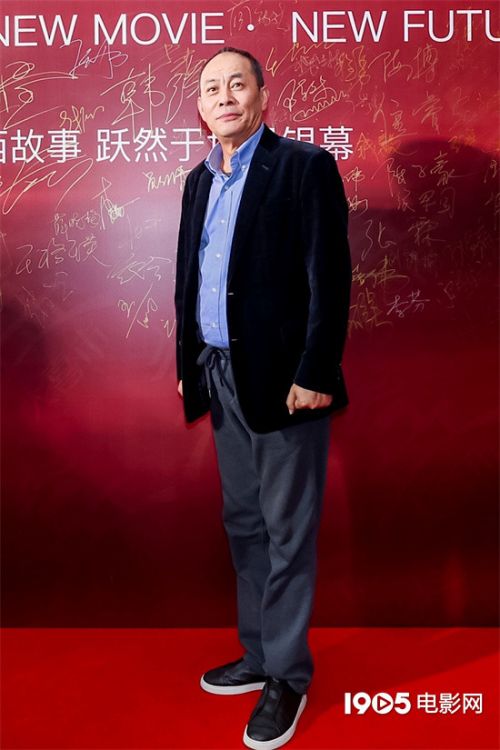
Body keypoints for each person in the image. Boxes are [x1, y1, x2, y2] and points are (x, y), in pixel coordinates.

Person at [175, 46, 351, 750]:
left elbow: (329, 278)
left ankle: (287, 675)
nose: (223, 97)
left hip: (286, 385)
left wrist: (316, 370)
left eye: (236, 84)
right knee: (243, 524)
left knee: (286, 531)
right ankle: (257, 653)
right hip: (220, 375)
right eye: (210, 88)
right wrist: (188, 364)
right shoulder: (198, 180)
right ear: (200, 107)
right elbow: (189, 279)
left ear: (262, 95)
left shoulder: (304, 167)